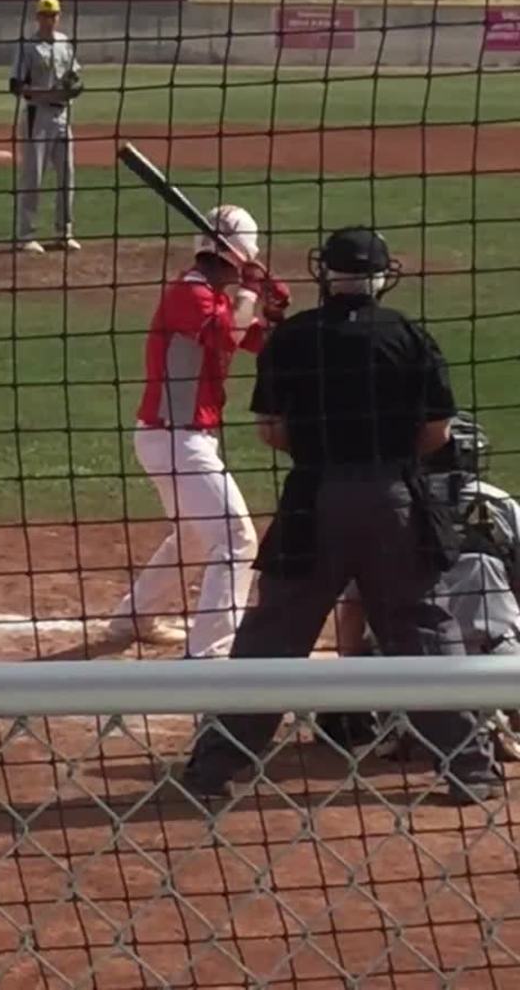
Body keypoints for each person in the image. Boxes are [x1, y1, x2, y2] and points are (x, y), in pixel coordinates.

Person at [183, 225, 503, 804]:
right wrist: (386, 457)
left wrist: (324, 450)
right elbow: (436, 432)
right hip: (396, 504)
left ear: (326, 272)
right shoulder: (409, 336)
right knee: (424, 633)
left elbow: (271, 431)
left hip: (314, 502)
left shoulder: (294, 338)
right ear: (382, 276)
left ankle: (213, 770)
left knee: (273, 636)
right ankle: (469, 770)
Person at [106, 205, 291, 659]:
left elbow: (260, 343)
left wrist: (272, 313)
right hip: (174, 438)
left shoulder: (216, 296)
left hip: (180, 438)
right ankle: (212, 652)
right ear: (239, 254)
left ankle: (135, 616)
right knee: (236, 539)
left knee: (192, 534)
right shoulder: (190, 294)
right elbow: (227, 336)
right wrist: (251, 290)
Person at [324, 412, 520, 759]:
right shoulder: (499, 502)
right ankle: (497, 713)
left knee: (382, 630)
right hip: (498, 663)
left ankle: (407, 722)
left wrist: (347, 686)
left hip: (412, 664)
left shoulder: (390, 503)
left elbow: (353, 609)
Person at [10, 0, 82, 254]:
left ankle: (64, 233)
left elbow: (75, 75)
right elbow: (16, 85)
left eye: (53, 15)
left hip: (63, 116)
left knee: (67, 175)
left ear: (59, 17)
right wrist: (47, 93)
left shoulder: (64, 43)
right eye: (44, 15)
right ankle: (26, 235)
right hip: (37, 116)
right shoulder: (27, 46)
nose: (49, 20)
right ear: (37, 17)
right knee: (33, 176)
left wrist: (73, 87)